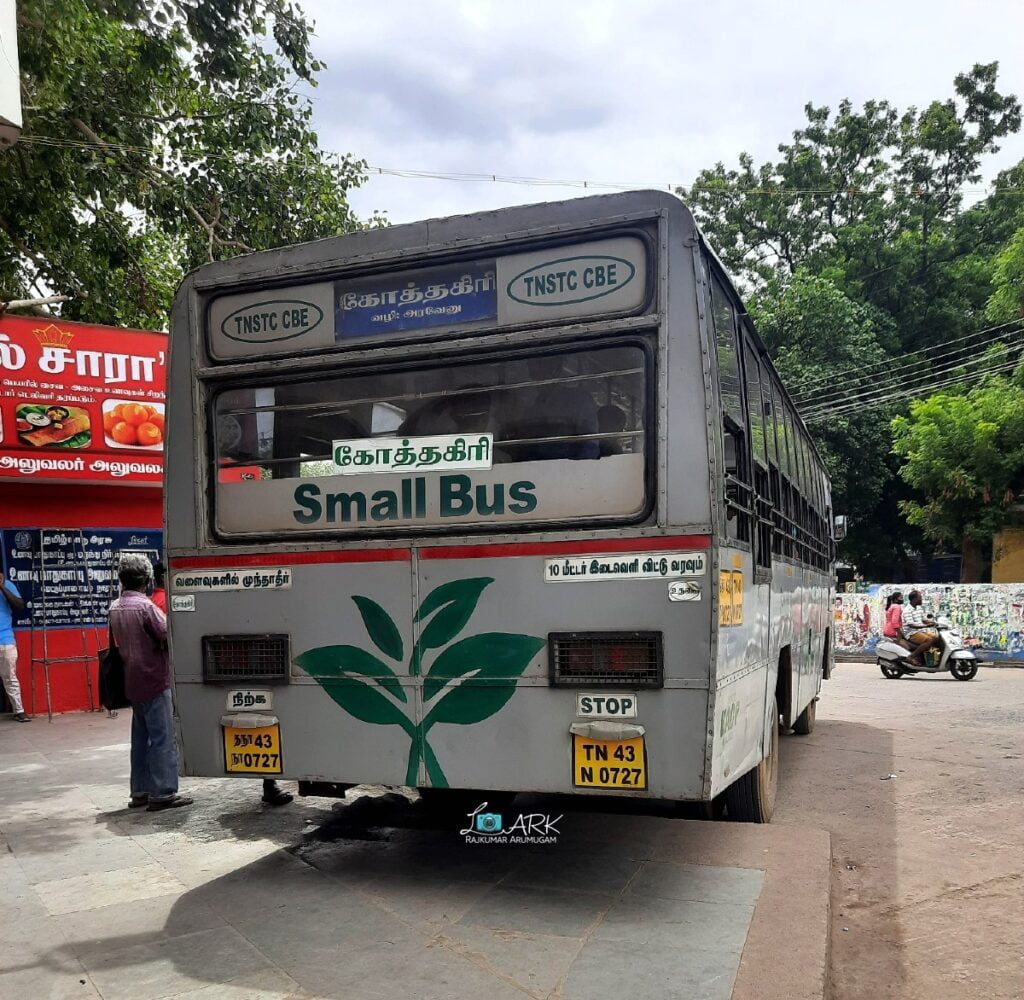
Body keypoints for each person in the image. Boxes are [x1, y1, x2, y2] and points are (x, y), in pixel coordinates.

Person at [109, 554, 192, 812]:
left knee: (141, 737)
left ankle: (140, 790)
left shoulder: (114, 607)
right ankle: (163, 791)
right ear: (146, 580)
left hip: (131, 681)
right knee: (163, 738)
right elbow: (168, 634)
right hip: (155, 678)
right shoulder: (146, 608)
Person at [0, 570, 30, 722]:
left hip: (4, 640)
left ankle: (19, 711)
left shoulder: (7, 585)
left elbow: (19, 606)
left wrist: (2, 587)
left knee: (10, 677)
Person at [902, 590, 939, 666]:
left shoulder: (919, 608)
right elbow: (911, 625)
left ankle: (929, 657)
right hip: (911, 633)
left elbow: (924, 620)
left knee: (937, 638)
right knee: (929, 640)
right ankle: (911, 657)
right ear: (914, 599)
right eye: (920, 598)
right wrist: (926, 626)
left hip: (921, 631)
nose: (921, 599)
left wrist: (933, 622)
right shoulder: (907, 610)